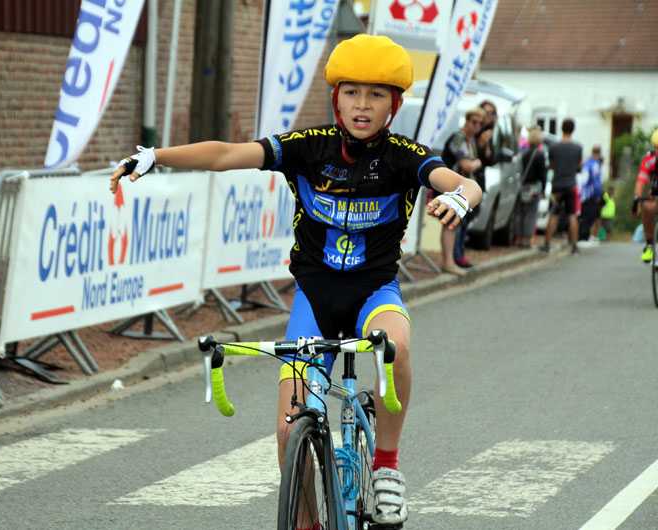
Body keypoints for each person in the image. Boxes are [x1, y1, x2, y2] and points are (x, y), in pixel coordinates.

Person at [109, 34, 482, 527]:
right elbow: (225, 154)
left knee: (397, 347)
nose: (362, 105)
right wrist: (157, 157)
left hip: (374, 292)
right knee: (290, 432)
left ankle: (387, 468)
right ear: (336, 98)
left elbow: (462, 183)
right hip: (313, 297)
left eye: (375, 95)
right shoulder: (308, 148)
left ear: (393, 103)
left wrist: (461, 197)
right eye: (352, 92)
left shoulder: (403, 155)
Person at [440, 107, 485, 273]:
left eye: (480, 123)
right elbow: (466, 164)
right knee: (451, 224)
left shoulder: (470, 140)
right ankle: (449, 262)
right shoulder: (458, 138)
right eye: (474, 121)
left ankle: (455, 258)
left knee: (458, 223)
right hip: (450, 188)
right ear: (467, 120)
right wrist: (478, 163)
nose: (477, 126)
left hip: (459, 190)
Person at [541, 118, 582, 254]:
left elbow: (551, 165)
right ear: (573, 130)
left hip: (557, 185)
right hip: (571, 185)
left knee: (553, 214)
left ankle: (547, 243)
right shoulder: (577, 148)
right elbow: (579, 166)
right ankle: (574, 245)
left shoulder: (554, 147)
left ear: (561, 129)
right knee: (572, 215)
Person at [515, 126, 547, 248]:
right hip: (533, 186)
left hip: (522, 186)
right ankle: (527, 239)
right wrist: (543, 189)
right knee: (531, 213)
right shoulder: (539, 155)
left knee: (521, 213)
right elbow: (543, 174)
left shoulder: (524, 153)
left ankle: (519, 237)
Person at [631, 128, 658, 262]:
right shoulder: (650, 158)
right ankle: (649, 244)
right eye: (657, 148)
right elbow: (641, 182)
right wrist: (636, 202)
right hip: (656, 191)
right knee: (648, 207)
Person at [577, 145, 603, 247]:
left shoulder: (586, 163)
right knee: (589, 216)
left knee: (585, 215)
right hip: (590, 194)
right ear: (599, 153)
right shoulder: (595, 164)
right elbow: (597, 181)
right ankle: (583, 238)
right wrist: (599, 194)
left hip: (583, 194)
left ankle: (585, 236)